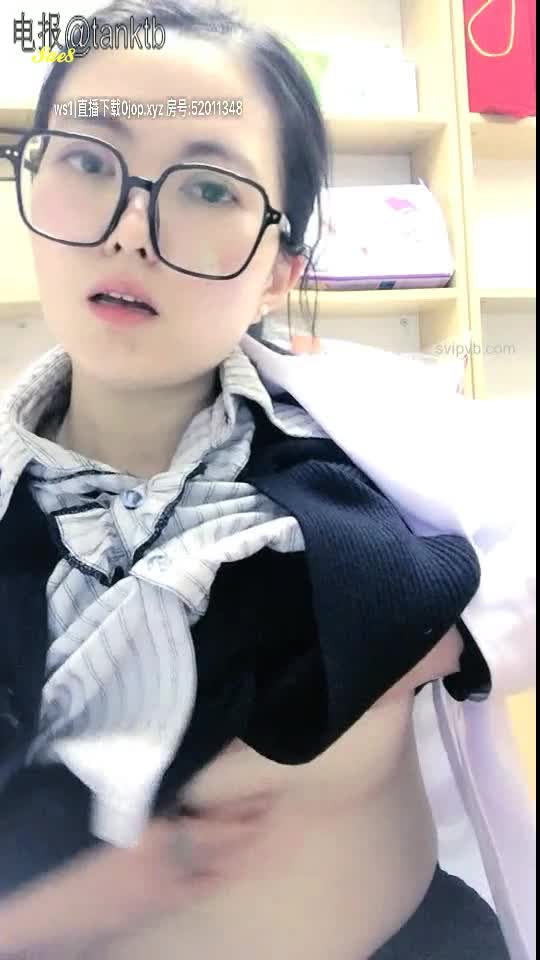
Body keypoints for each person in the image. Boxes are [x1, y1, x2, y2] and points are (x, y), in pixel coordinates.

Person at [0, 2, 531, 957]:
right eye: (87, 160)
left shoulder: (373, 443)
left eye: (208, 187)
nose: (130, 229)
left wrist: (442, 638)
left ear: (283, 265)